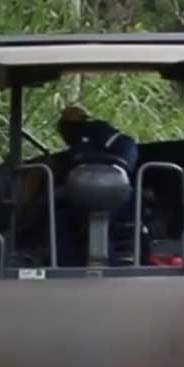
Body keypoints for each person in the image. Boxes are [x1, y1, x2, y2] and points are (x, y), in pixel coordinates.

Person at [51, 105, 140, 266]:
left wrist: (120, 171)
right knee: (60, 219)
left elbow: (128, 147)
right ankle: (65, 268)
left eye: (69, 125)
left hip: (116, 196)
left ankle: (110, 269)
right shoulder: (77, 150)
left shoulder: (99, 132)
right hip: (79, 198)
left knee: (100, 224)